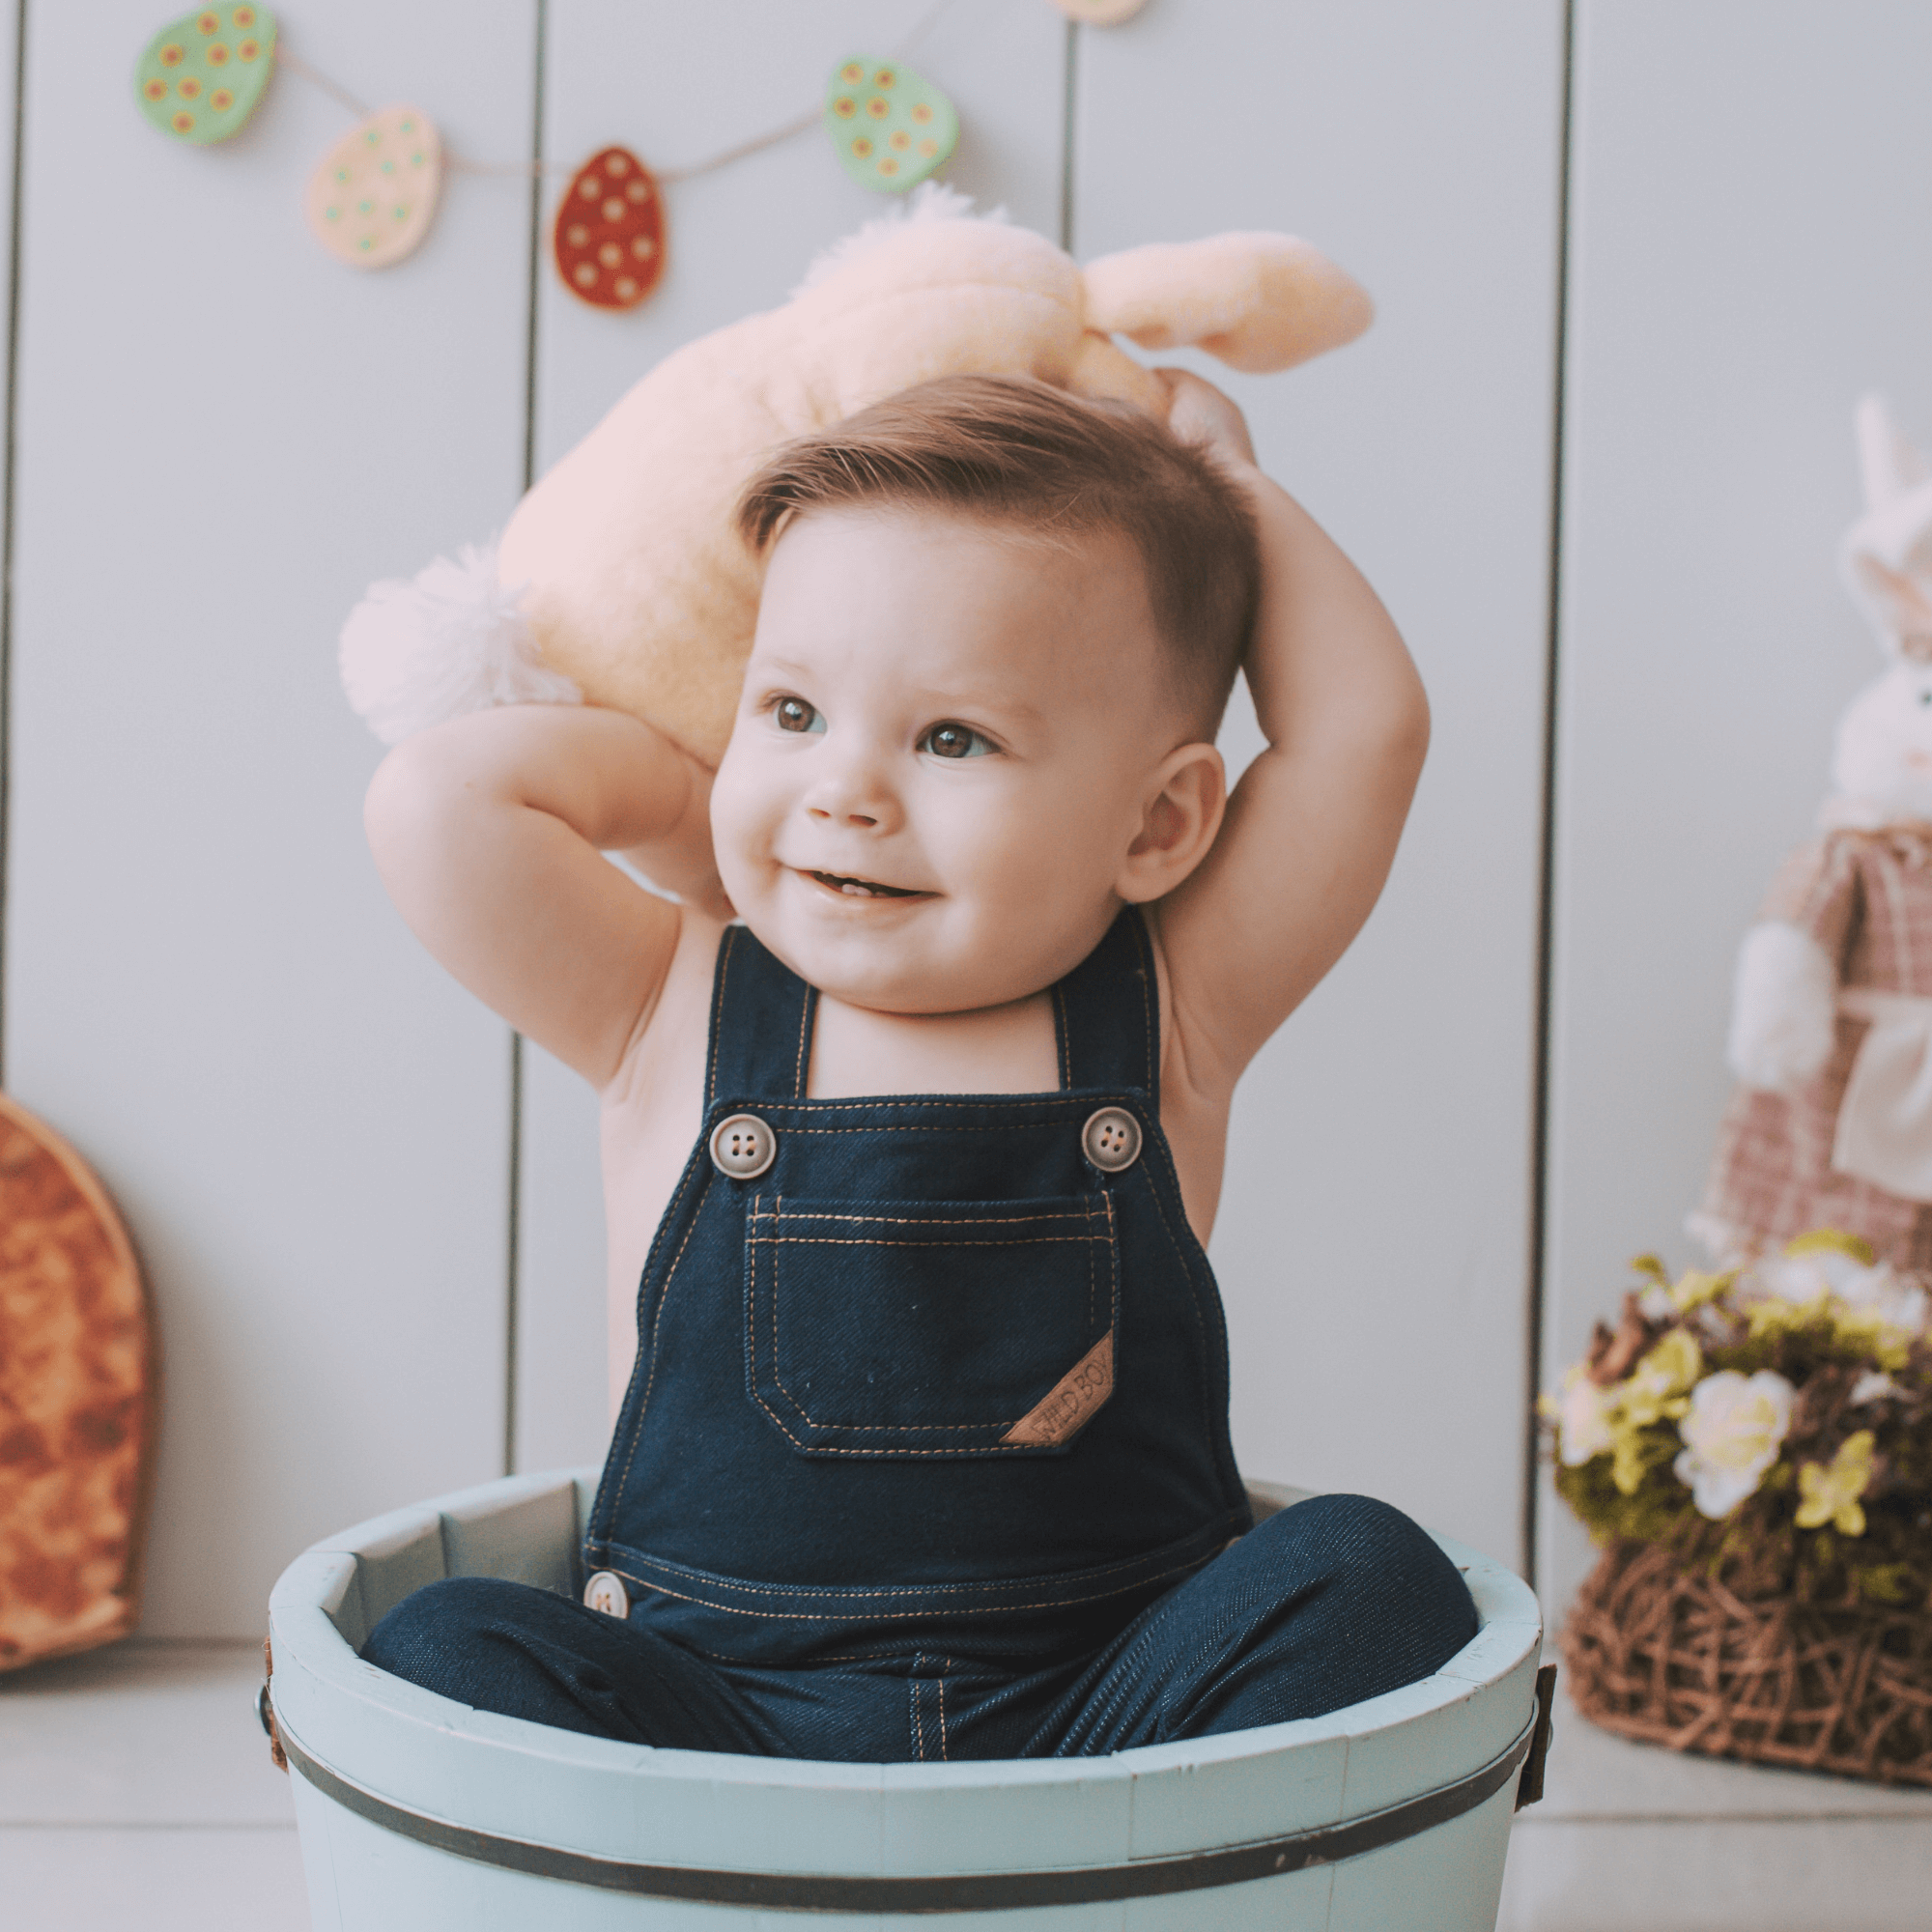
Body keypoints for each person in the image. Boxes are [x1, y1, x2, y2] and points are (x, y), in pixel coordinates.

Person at [358, 370, 1475, 1760]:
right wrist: (693, 799)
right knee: (435, 1651)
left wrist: (1233, 493)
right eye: (793, 713)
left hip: (1105, 1730)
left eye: (952, 738)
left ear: (1160, 823)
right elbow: (439, 801)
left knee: (1372, 1576)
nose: (844, 791)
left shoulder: (1176, 1002)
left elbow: (1364, 736)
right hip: (720, 1736)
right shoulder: (670, 997)